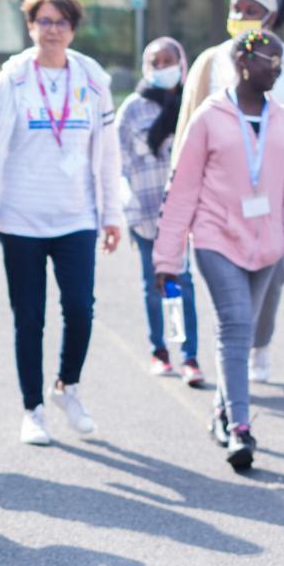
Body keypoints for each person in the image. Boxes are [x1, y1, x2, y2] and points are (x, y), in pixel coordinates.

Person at [0, 0, 122, 447]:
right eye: (43, 21)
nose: (52, 30)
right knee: (29, 317)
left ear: (73, 28)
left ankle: (67, 387)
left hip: (77, 216)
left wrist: (112, 212)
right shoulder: (13, 78)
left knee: (80, 308)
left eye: (61, 21)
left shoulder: (93, 79)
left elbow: (109, 152)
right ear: (31, 26)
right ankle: (32, 408)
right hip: (20, 219)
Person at [155, 30, 284, 470]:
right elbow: (182, 190)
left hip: (269, 246)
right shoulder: (210, 116)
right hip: (217, 238)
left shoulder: (283, 119)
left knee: (244, 330)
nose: (276, 68)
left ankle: (223, 409)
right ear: (243, 61)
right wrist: (167, 258)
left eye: (281, 62)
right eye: (269, 59)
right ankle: (241, 427)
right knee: (236, 325)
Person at [175, 0, 284, 385]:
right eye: (235, 5)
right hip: (220, 204)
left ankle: (259, 344)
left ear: (271, 16)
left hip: (277, 201)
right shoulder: (210, 61)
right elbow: (189, 130)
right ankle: (234, 363)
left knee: (271, 281)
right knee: (230, 295)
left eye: (250, 7)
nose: (239, 13)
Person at [115, 37, 203, 386]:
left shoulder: (193, 105)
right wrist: (125, 208)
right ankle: (159, 350)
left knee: (182, 282)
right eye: (156, 61)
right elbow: (118, 163)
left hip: (183, 214)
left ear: (181, 64)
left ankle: (190, 356)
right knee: (154, 285)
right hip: (145, 210)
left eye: (169, 60)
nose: (163, 67)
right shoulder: (132, 109)